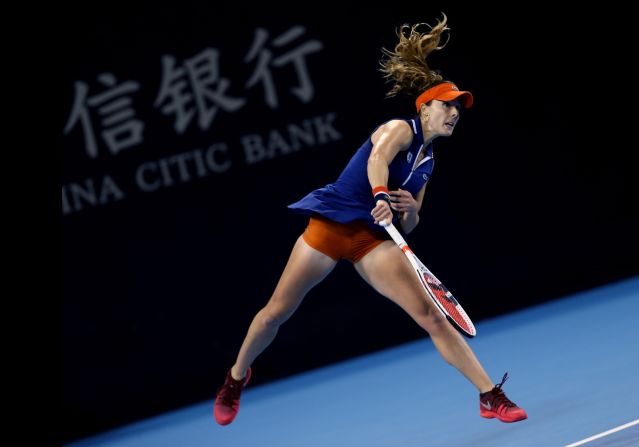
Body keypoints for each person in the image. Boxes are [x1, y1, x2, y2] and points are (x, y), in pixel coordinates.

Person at [214, 13, 527, 426]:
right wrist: (380, 195)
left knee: (431, 316)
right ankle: (236, 378)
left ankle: (490, 396)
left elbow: (411, 225)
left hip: (370, 241)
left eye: (458, 108)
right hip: (331, 227)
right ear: (426, 107)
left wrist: (410, 210)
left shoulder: (428, 163)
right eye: (447, 105)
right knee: (276, 312)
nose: (454, 113)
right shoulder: (400, 128)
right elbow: (377, 158)